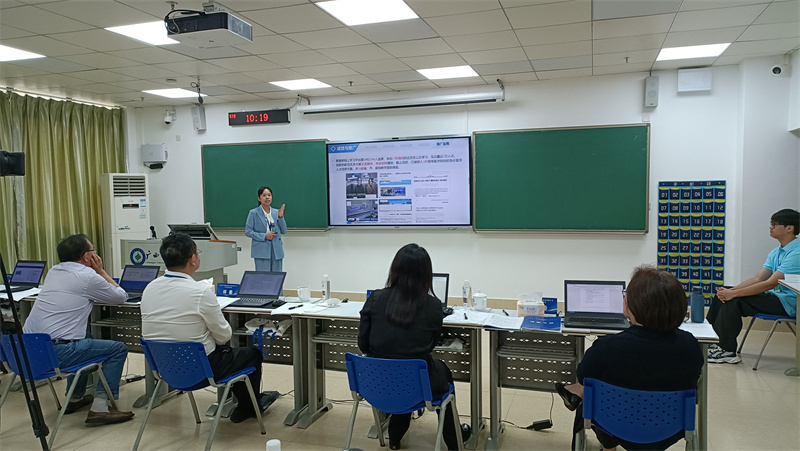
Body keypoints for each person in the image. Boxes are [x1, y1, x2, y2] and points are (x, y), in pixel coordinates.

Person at [555, 266, 703, 451]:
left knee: (592, 392)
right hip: (668, 429)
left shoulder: (607, 347)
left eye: (626, 295)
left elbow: (583, 374)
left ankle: (608, 447)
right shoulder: (690, 346)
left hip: (612, 426)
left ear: (634, 305)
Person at [140, 232, 274, 423]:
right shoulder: (200, 291)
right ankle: (247, 407)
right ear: (193, 259)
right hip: (202, 371)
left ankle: (243, 403)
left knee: (226, 353)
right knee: (251, 354)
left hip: (165, 370)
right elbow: (224, 335)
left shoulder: (149, 288)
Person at [358, 244, 466, 450]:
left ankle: (395, 436)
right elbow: (429, 345)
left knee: (402, 369)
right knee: (437, 369)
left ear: (394, 270)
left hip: (376, 382)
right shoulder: (433, 306)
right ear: (426, 275)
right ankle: (454, 441)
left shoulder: (375, 298)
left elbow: (363, 344)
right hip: (416, 384)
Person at [22, 234, 135, 425]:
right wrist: (101, 271)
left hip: (29, 350)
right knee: (118, 348)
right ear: (86, 256)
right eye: (93, 250)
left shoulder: (53, 271)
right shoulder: (88, 276)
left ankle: (74, 398)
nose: (96, 254)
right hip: (56, 353)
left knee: (85, 336)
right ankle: (100, 408)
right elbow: (120, 296)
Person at [706, 208, 799, 364]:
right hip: (776, 297)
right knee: (723, 293)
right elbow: (758, 278)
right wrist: (730, 290)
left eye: (775, 224)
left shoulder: (797, 253)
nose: (771, 227)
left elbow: (769, 284)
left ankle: (727, 350)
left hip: (790, 302)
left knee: (735, 299)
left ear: (789, 228)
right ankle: (709, 341)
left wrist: (734, 294)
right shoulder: (776, 252)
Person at [245, 186, 287, 272]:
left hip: (276, 250)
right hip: (261, 250)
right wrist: (264, 236)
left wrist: (281, 217)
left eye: (269, 195)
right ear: (259, 198)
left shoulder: (276, 212)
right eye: (264, 195)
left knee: (276, 277)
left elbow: (284, 231)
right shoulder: (253, 213)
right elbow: (248, 231)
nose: (267, 197)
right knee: (263, 277)